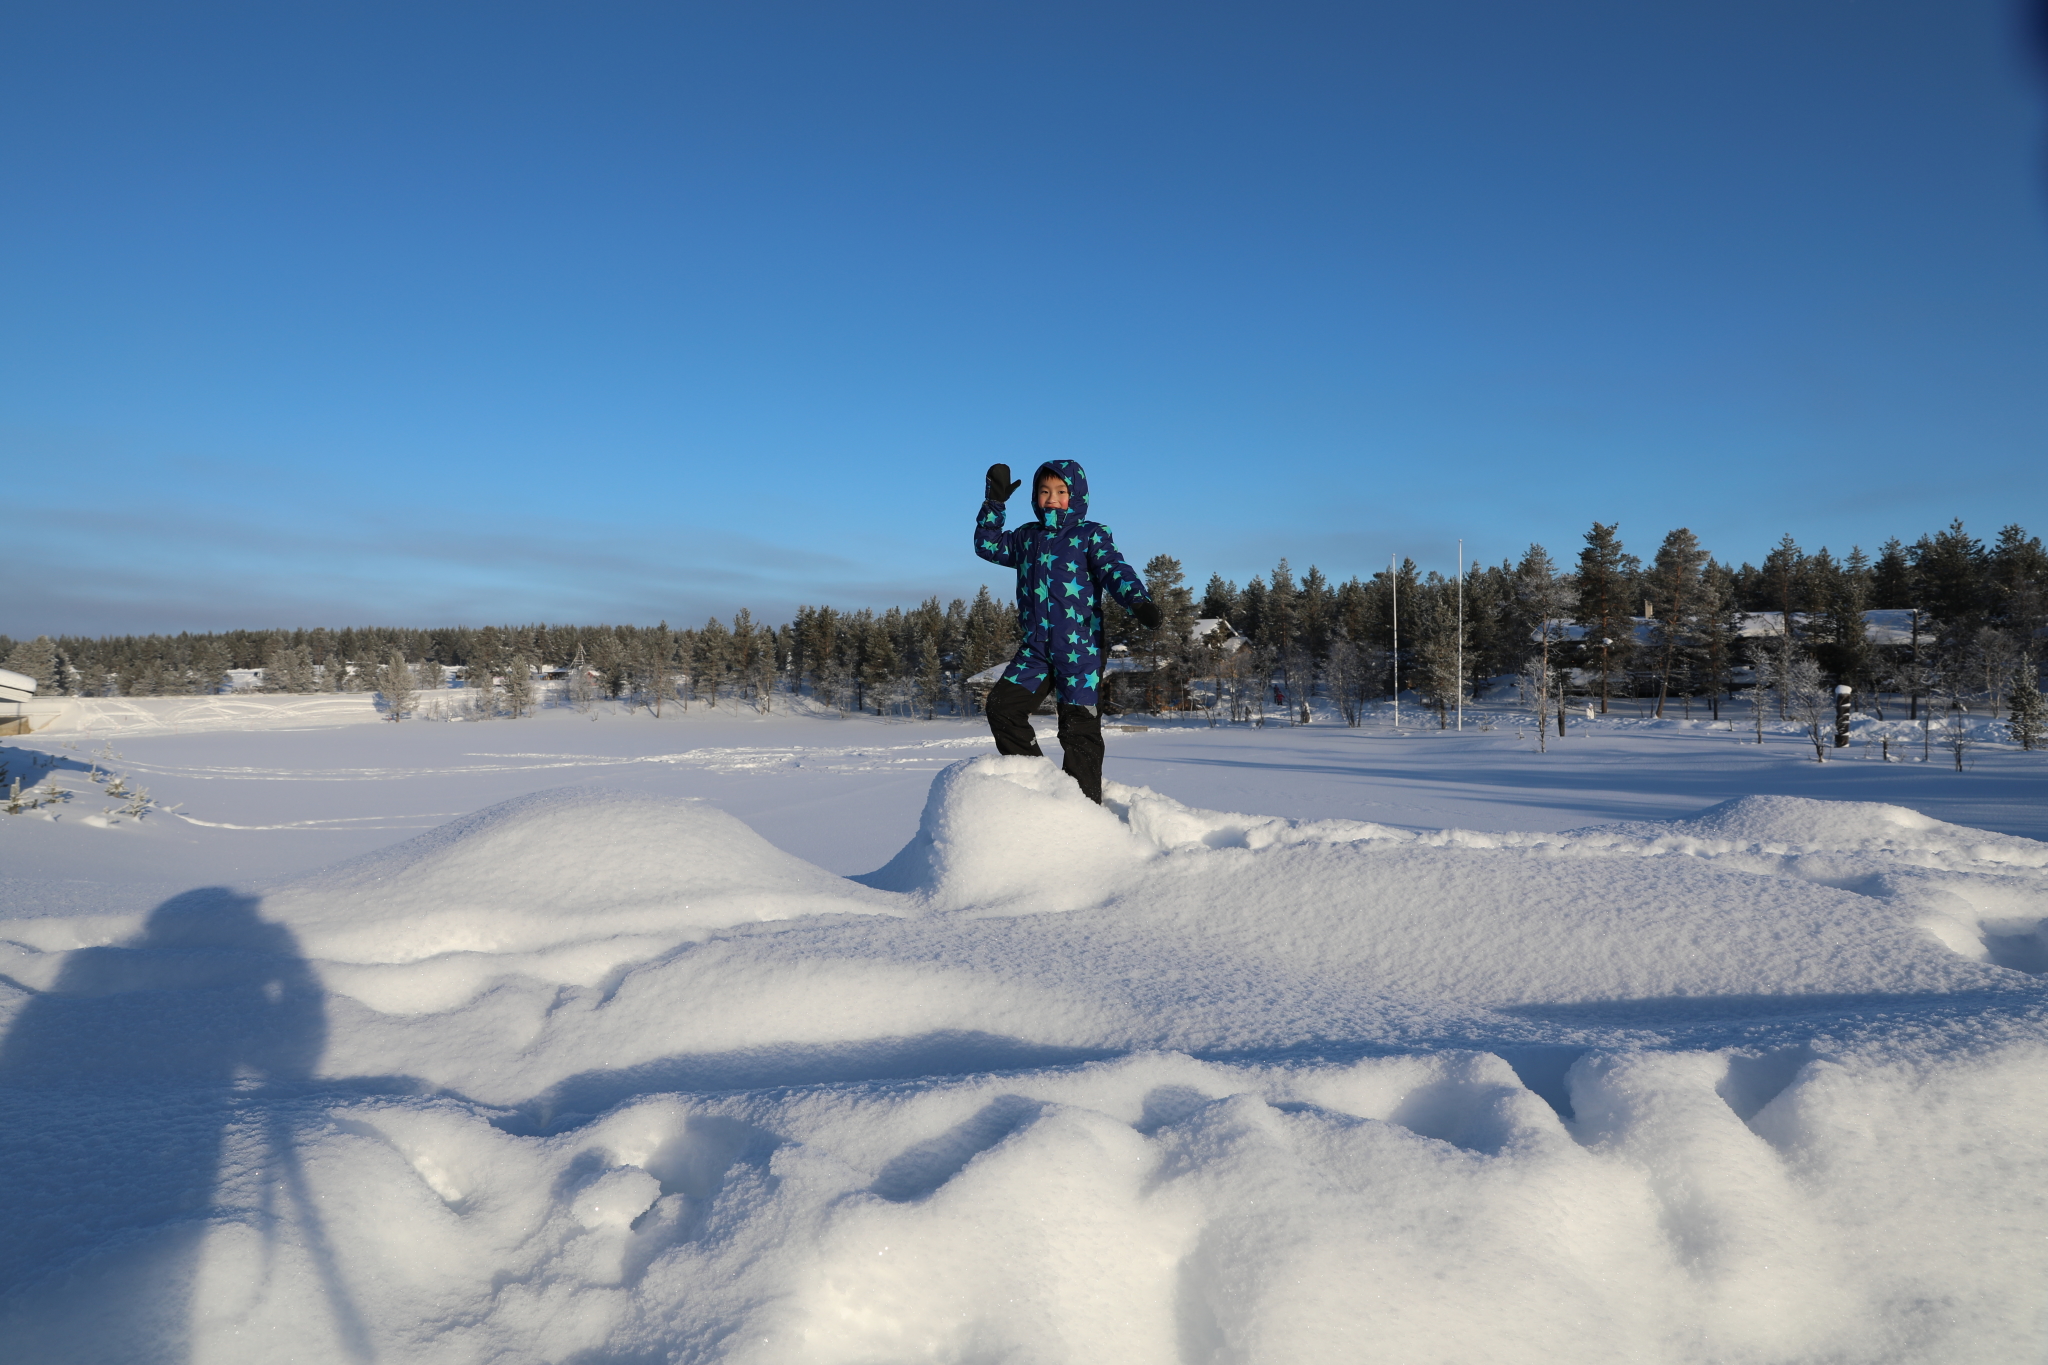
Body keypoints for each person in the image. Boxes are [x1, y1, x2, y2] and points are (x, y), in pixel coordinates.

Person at [974, 459, 1161, 802]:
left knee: (1078, 730)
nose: (1052, 498)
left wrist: (1138, 601)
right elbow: (987, 545)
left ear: (1076, 496)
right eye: (1044, 491)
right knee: (1002, 708)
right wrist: (994, 504)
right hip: (1036, 650)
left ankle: (1084, 813)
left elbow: (1114, 569)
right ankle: (1041, 788)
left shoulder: (1090, 534)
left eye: (1061, 491)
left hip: (1081, 649)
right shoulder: (1025, 538)